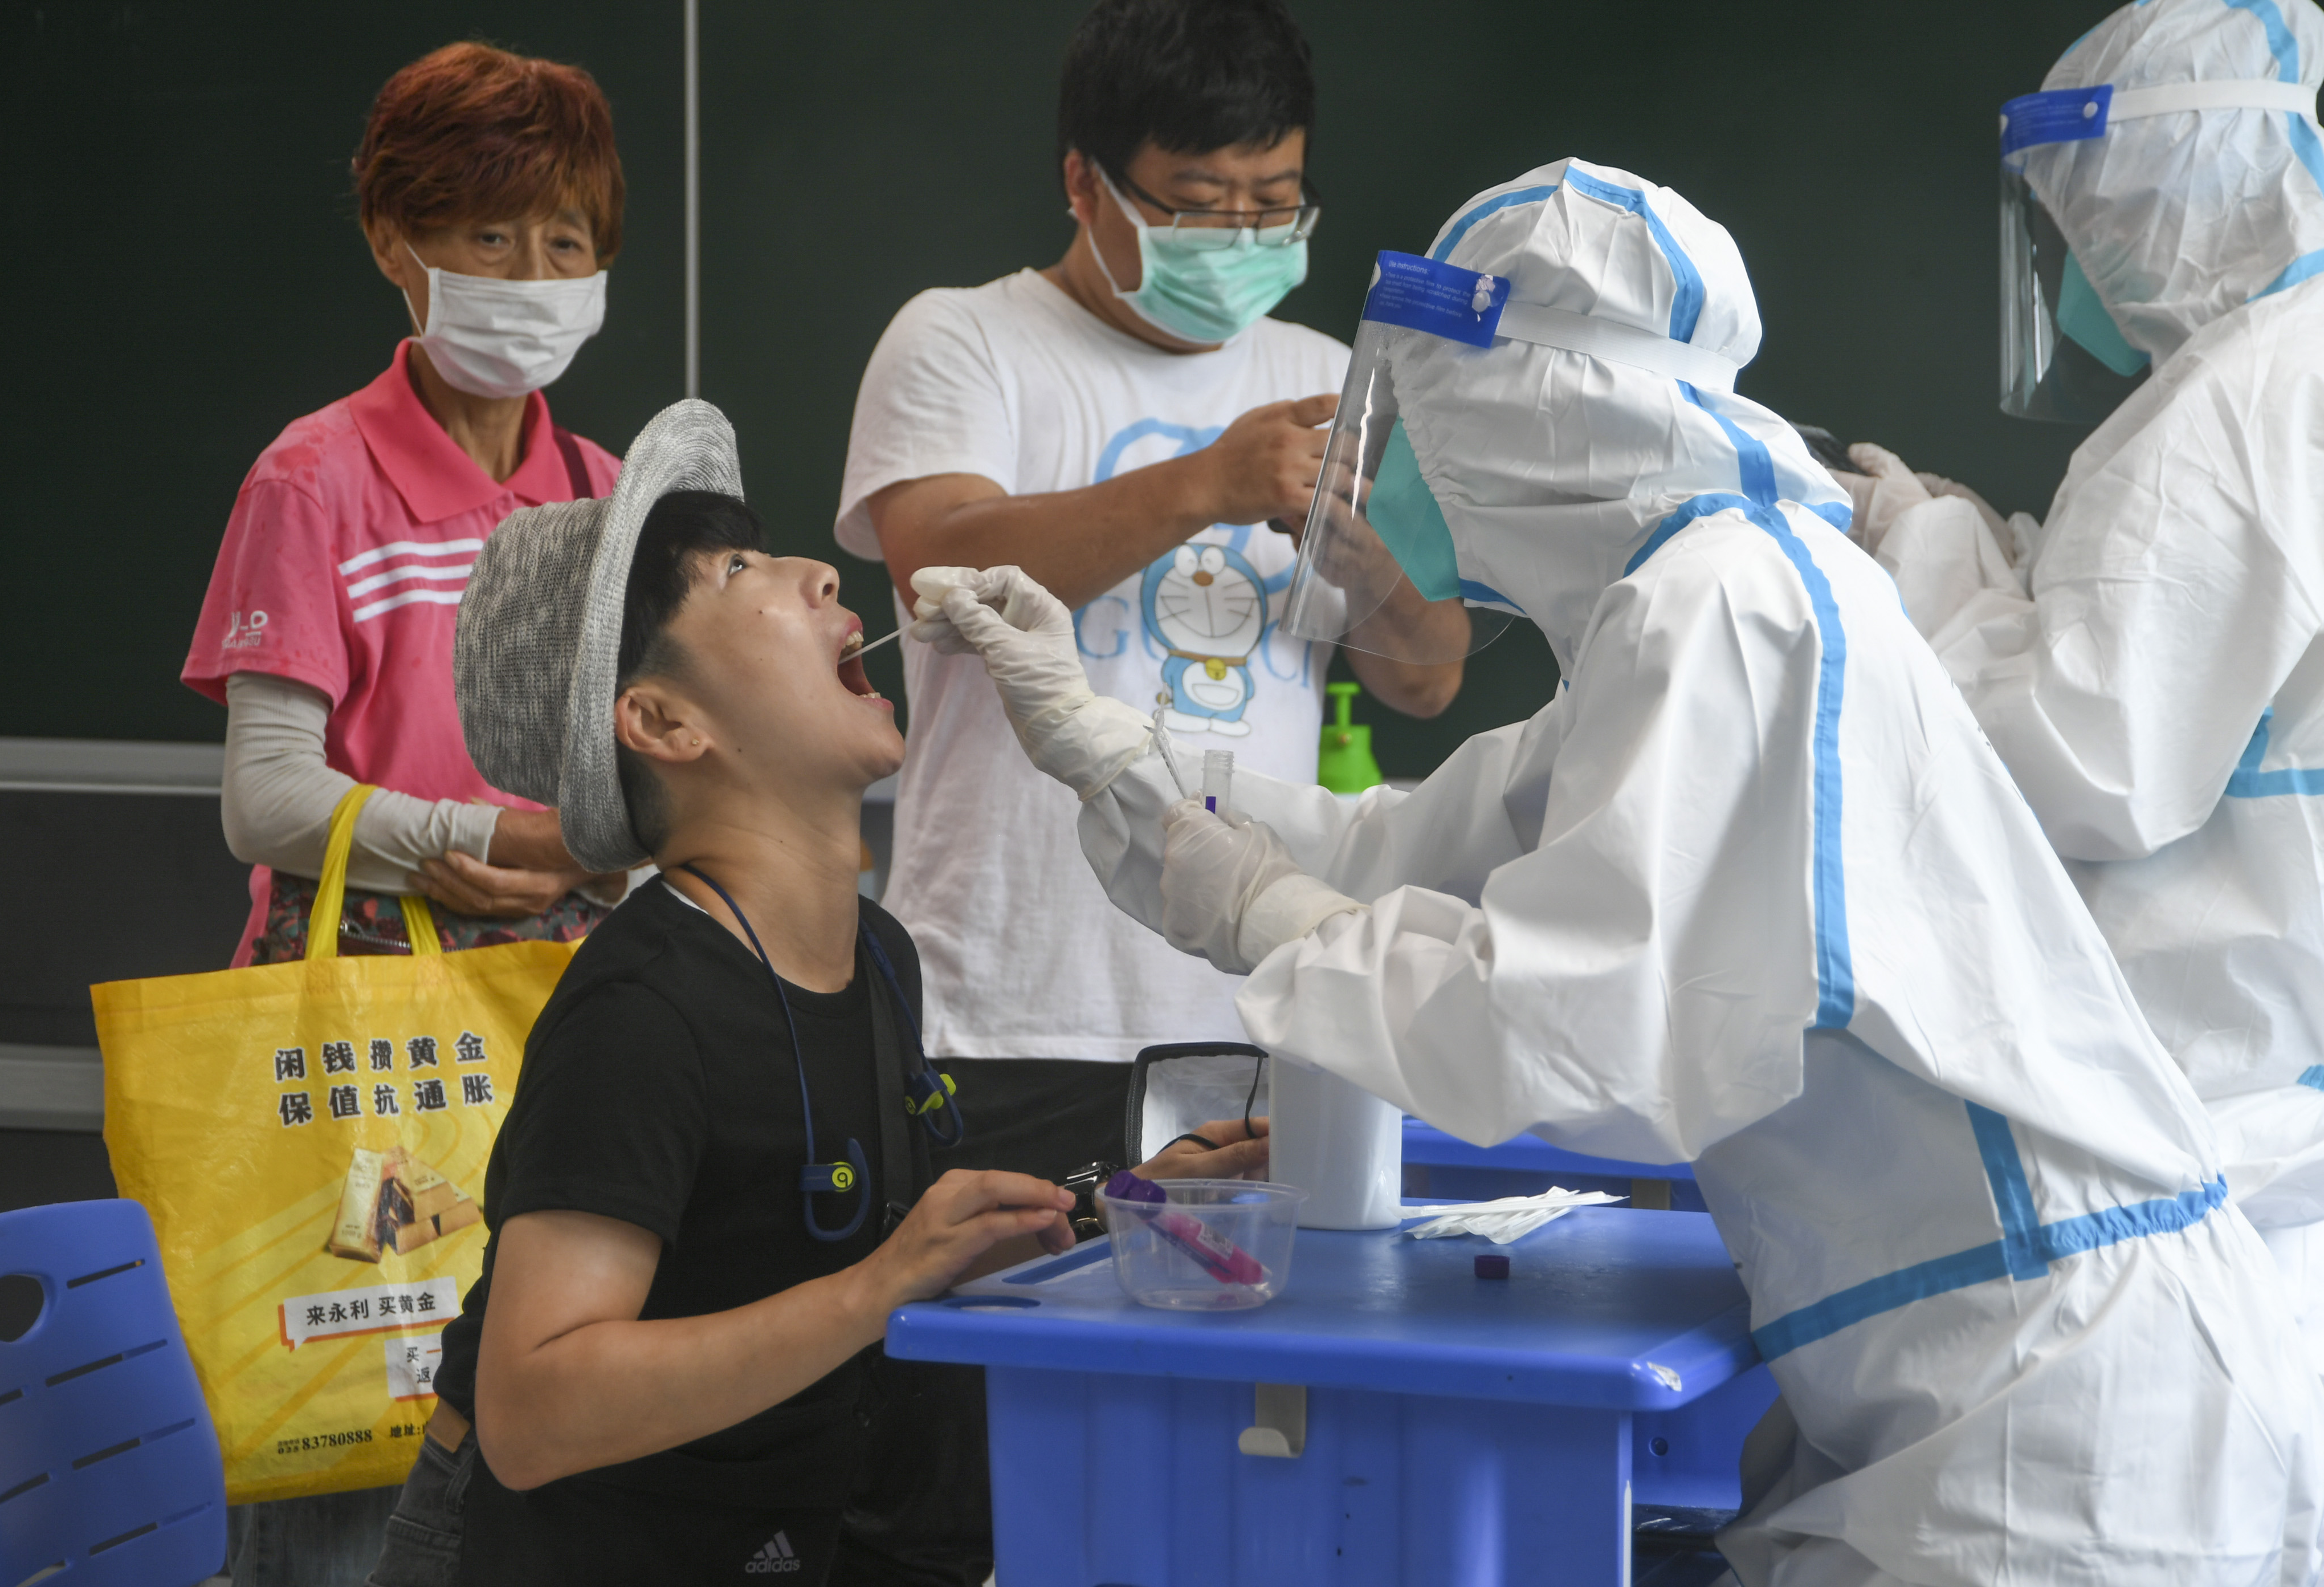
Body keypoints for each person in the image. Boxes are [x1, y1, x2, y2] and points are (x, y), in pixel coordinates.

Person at [916, 160, 2324, 1585]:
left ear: (1522, 408)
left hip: (2043, 1416)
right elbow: (1413, 840)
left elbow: (1567, 1032)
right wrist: (1113, 751)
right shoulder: (1695, 599)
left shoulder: (1729, 608)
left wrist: (1259, 914)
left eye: (1422, 410)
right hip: (1969, 1379)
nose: (1395, 468)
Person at [369, 398, 1268, 1585]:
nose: (813, 570)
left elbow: (835, 1247)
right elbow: (535, 1412)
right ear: (663, 720)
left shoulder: (877, 953)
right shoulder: (643, 1011)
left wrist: (1116, 1207)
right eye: (739, 568)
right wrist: (880, 1288)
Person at [836, 0, 1462, 1189]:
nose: (1238, 233)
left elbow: (1427, 676)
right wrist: (1209, 483)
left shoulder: (1329, 378)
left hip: (1264, 996)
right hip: (1017, 1001)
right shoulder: (964, 342)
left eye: (1273, 203)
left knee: (1246, 1365)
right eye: (1195, 202)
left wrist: (1361, 558)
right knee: (1009, 1355)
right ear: (1085, 182)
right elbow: (939, 569)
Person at [177, 42, 630, 1585]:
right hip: (364, 1049)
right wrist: (472, 837)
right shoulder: (316, 481)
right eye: (492, 236)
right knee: (345, 1494)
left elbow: (642, 780)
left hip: (570, 1037)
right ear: (395, 243)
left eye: (567, 243)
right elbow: (265, 800)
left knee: (555, 1469)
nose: (534, 274)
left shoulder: (610, 499)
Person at [1834, 0, 2324, 1378]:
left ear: (2153, 193)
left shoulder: (2227, 408)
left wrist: (1915, 555)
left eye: (2080, 215)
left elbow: (2086, 757)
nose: (2070, 264)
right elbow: (2190, 647)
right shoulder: (2283, 370)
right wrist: (1959, 540)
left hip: (2223, 1132)